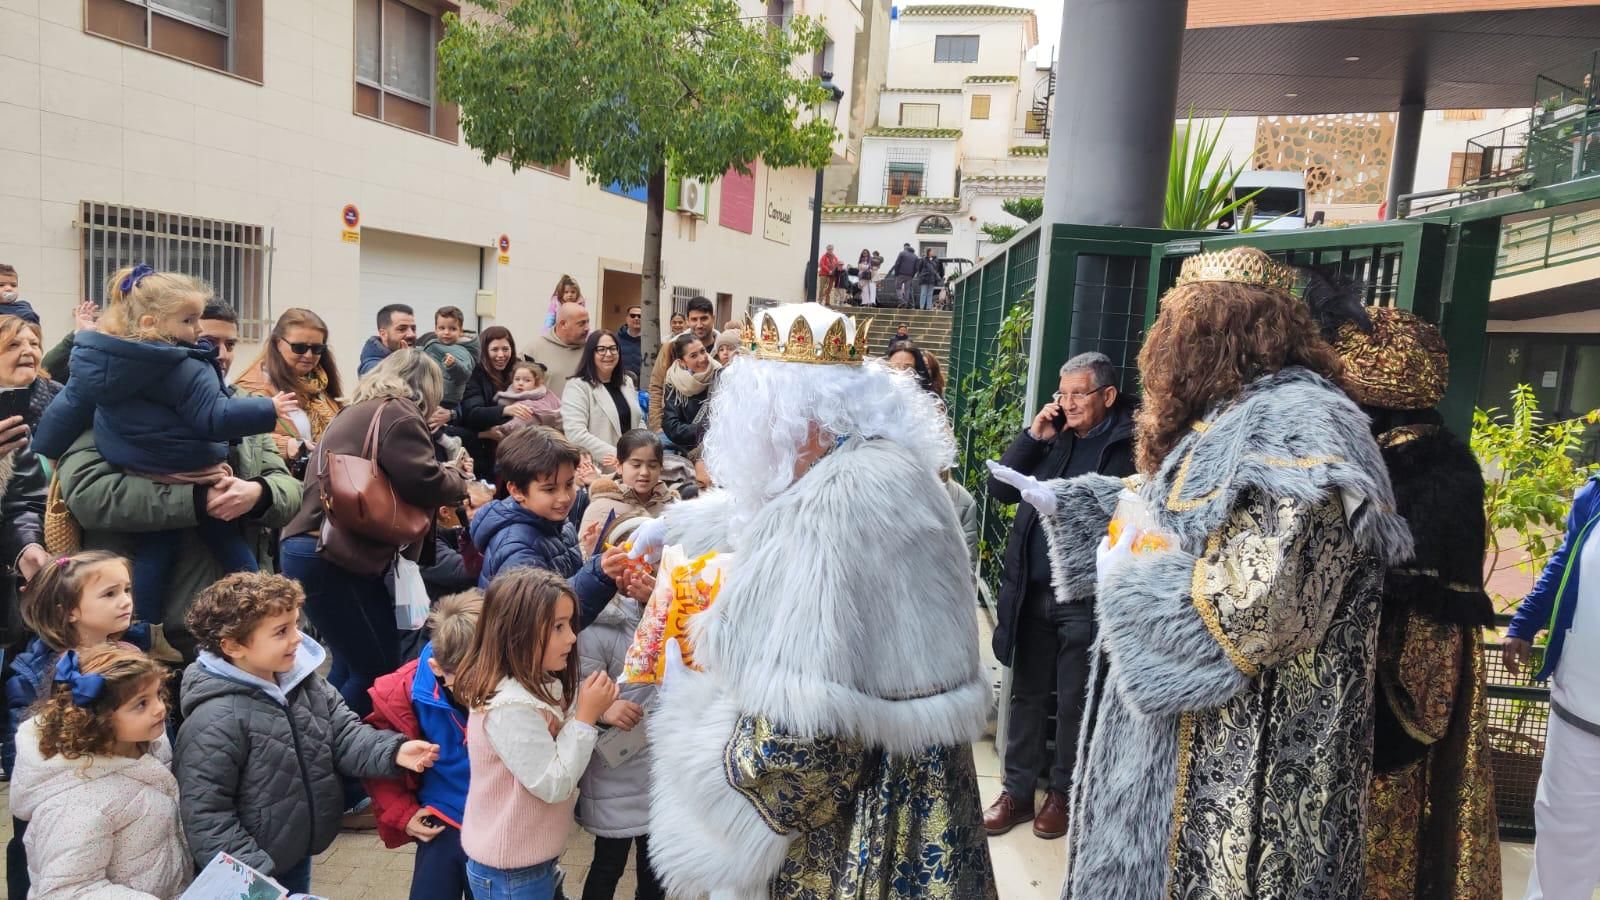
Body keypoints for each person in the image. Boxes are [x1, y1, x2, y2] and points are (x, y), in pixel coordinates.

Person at [989, 248, 1411, 899]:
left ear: (1220, 334)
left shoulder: (1301, 427)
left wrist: (1131, 574)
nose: (1162, 348)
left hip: (1247, 751)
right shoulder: (1234, 414)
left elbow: (1261, 608)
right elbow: (1183, 511)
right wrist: (1090, 508)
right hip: (1185, 731)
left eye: (1178, 329)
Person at [627, 302, 997, 897]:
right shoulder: (881, 466)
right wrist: (679, 525)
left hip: (857, 828)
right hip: (921, 786)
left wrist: (688, 724)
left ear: (792, 414)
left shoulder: (830, 512)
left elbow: (800, 756)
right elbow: (771, 507)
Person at [1301, 279, 1501, 898]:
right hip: (1369, 700)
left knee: (1383, 849)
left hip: (1386, 714)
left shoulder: (1420, 474)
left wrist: (1390, 725)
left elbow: (1428, 642)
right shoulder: (1423, 460)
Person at [31, 265, 291, 656]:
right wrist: (197, 499)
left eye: (230, 343)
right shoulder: (109, 405)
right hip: (165, 622)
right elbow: (90, 497)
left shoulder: (236, 404)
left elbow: (288, 488)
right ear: (156, 327)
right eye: (206, 338)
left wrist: (258, 493)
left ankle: (245, 613)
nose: (218, 352)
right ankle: (149, 633)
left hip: (233, 629)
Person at [176, 572, 440, 895]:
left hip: (295, 849)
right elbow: (207, 816)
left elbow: (344, 735)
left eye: (296, 625)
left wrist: (394, 751)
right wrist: (258, 881)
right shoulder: (213, 720)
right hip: (254, 871)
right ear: (233, 645)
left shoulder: (304, 682)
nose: (297, 638)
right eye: (281, 631)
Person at [980, 351, 1136, 839]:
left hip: (1085, 595)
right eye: (1062, 394)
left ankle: (1063, 795)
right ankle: (1016, 793)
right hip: (1033, 588)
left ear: (1107, 395)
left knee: (1074, 701)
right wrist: (1033, 437)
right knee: (1026, 694)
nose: (1067, 404)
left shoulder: (1129, 443)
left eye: (1078, 395)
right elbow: (1002, 490)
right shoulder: (1054, 436)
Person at [279, 349, 470, 716]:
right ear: (428, 388)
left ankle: (322, 733)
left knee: (351, 664)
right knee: (375, 668)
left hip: (312, 546)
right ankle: (335, 741)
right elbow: (424, 480)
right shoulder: (400, 413)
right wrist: (458, 479)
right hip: (333, 551)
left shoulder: (360, 409)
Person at [451, 568, 619, 899]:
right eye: (558, 627)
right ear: (517, 632)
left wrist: (597, 710)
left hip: (529, 863)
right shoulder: (509, 707)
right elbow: (553, 782)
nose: (572, 637)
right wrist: (585, 718)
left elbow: (557, 719)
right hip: (512, 874)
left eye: (569, 624)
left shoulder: (534, 684)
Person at [4, 551, 151, 899]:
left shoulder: (131, 653)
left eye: (127, 589)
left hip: (132, 813)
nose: (125, 601)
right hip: (70, 821)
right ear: (68, 611)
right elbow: (24, 762)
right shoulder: (31, 676)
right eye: (109, 594)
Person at [11, 646, 190, 899]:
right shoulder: (76, 805)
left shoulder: (147, 749)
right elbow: (67, 891)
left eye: (158, 694)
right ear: (97, 719)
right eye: (141, 703)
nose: (160, 708)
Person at [1504, 476, 1600, 899]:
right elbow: (1563, 564)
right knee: (1562, 838)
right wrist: (1524, 623)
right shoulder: (1595, 494)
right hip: (1581, 710)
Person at [365, 590, 484, 900]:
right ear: (436, 668)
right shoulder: (400, 694)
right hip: (441, 821)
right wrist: (403, 814)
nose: (480, 691)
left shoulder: (512, 673)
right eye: (467, 682)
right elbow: (376, 762)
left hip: (497, 825)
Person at [467, 427, 642, 625]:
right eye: (550, 489)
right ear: (517, 491)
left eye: (569, 484)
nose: (564, 497)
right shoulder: (515, 547)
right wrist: (598, 573)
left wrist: (596, 561)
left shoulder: (555, 521)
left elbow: (568, 579)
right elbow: (541, 618)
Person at [575, 551, 660, 900]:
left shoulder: (673, 614)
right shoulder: (597, 625)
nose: (639, 576)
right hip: (616, 765)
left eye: (651, 569)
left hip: (658, 763)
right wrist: (605, 708)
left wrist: (660, 605)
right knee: (608, 862)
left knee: (656, 864)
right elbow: (577, 687)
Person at [233, 306, 344, 469]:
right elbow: (242, 437)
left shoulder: (320, 382)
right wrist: (287, 445)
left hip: (322, 477)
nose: (308, 355)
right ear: (278, 343)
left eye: (317, 349)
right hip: (280, 478)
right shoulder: (252, 388)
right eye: (299, 348)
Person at [0, 314, 57, 633]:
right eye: (13, 345)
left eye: (34, 343)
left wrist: (27, 546)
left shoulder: (60, 402)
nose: (27, 351)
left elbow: (25, 499)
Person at [577, 430, 674, 557]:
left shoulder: (672, 507)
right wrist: (592, 551)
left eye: (652, 466)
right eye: (636, 465)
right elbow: (583, 556)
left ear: (661, 468)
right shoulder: (601, 506)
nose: (644, 472)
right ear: (619, 466)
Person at [563, 331, 642, 472]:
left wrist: (644, 451)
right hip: (599, 470)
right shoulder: (577, 386)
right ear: (590, 353)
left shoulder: (627, 382)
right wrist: (620, 457)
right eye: (601, 349)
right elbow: (575, 434)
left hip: (634, 466)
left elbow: (638, 420)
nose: (608, 354)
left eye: (613, 348)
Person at [457, 325, 524, 476]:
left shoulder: (518, 372)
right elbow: (472, 413)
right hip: (483, 452)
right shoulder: (474, 374)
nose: (501, 355)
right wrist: (505, 410)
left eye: (505, 349)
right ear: (484, 351)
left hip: (515, 451)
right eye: (495, 349)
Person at [649, 297, 716, 432]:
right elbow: (656, 386)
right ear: (687, 321)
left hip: (713, 430)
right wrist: (657, 426)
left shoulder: (723, 350)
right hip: (673, 429)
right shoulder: (671, 348)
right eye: (694, 319)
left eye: (704, 318)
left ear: (713, 318)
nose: (699, 324)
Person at [661, 332, 721, 459]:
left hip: (718, 448)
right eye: (693, 356)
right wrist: (703, 429)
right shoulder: (674, 381)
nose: (702, 358)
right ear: (682, 362)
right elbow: (672, 426)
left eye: (703, 351)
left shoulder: (720, 374)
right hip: (686, 450)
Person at [422, 306, 480, 416]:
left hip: (447, 401)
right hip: (430, 396)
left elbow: (464, 374)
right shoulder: (434, 344)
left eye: (452, 329)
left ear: (460, 331)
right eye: (442, 328)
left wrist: (453, 365)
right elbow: (424, 353)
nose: (446, 332)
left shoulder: (463, 352)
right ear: (436, 329)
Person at [490, 360, 562, 435]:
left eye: (527, 380)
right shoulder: (508, 393)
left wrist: (504, 428)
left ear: (536, 383)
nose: (520, 383)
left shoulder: (541, 397)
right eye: (517, 379)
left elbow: (522, 421)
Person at [538, 300, 590, 397]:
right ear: (563, 324)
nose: (587, 328)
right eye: (581, 323)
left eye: (587, 322)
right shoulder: (535, 350)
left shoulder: (593, 351)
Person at [360, 303, 418, 376]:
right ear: (383, 334)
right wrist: (404, 361)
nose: (411, 334)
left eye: (413, 329)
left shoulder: (421, 356)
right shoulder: (371, 367)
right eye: (402, 329)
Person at [616, 305, 644, 384]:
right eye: (632, 315)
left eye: (640, 316)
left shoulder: (650, 341)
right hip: (620, 383)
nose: (636, 318)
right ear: (627, 318)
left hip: (644, 385)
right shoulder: (615, 339)